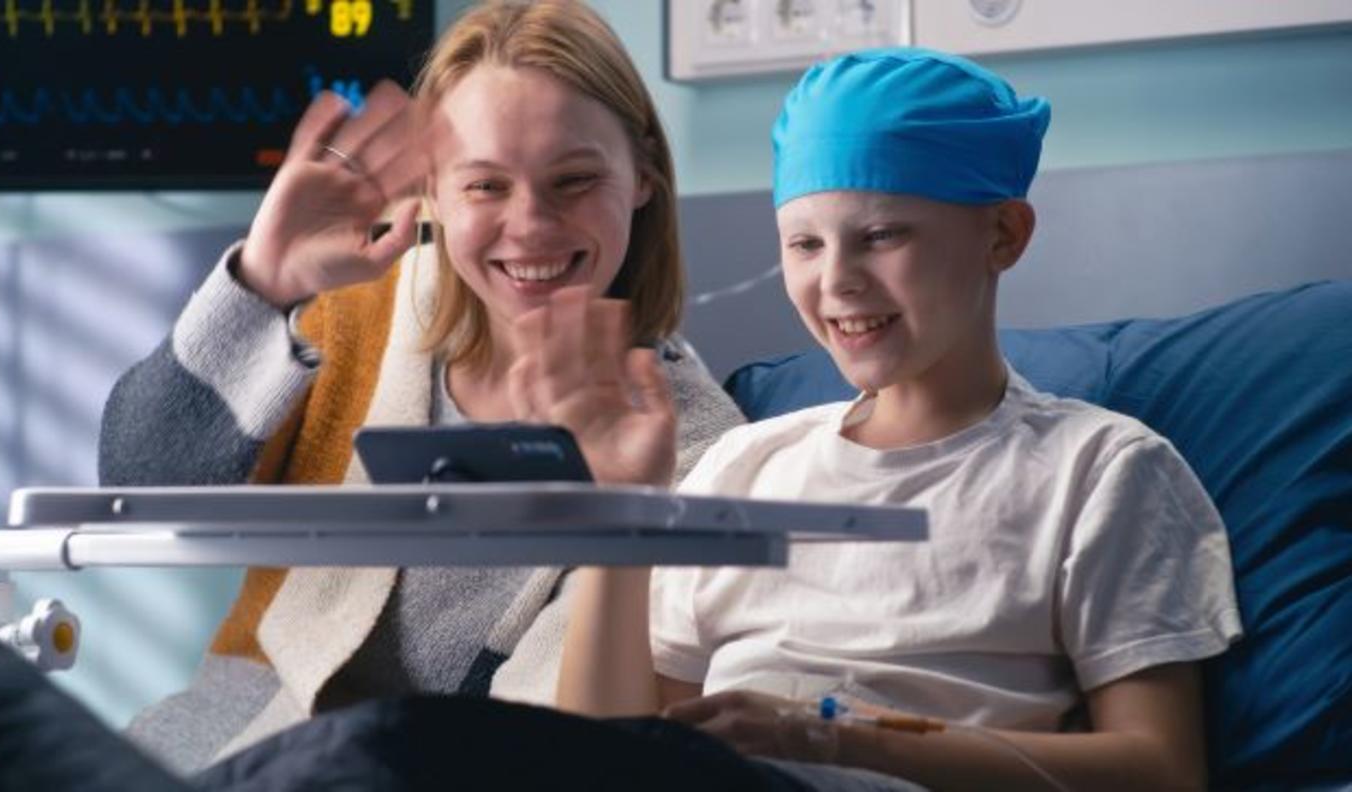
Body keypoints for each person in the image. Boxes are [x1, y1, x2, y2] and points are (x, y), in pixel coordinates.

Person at [511, 49, 1243, 790]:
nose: (837, 281)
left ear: (1003, 234)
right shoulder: (743, 464)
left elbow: (1162, 770)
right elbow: (608, 757)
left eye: (882, 235)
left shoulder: (1100, 472)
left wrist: (830, 737)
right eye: (805, 244)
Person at [98, 0, 742, 774]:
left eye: (574, 180)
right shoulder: (354, 312)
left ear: (643, 175)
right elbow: (140, 487)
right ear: (433, 187)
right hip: (218, 746)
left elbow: (574, 742)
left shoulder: (690, 445)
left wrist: (620, 507)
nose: (531, 224)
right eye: (486, 186)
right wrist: (262, 283)